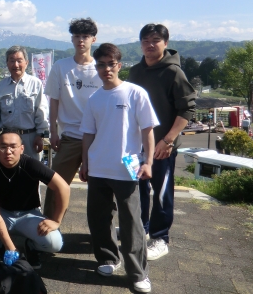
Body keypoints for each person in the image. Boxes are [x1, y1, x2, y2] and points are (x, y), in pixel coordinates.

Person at [79, 43, 157, 293]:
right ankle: (108, 258)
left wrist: (148, 162)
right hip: (98, 167)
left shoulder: (135, 93)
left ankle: (138, 273)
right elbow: (88, 134)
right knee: (98, 218)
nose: (106, 69)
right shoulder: (94, 98)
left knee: (132, 222)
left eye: (110, 64)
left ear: (119, 65)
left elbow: (148, 130)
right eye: (101, 65)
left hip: (127, 169)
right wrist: (85, 162)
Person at [128, 24, 196, 261]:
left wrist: (168, 140)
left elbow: (187, 109)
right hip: (137, 145)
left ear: (165, 43)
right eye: (145, 40)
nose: (150, 44)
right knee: (137, 189)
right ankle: (142, 228)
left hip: (162, 146)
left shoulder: (173, 72)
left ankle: (160, 238)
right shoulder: (135, 71)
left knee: (161, 192)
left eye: (155, 40)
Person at [0, 129, 69, 269]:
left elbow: (63, 187)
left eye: (13, 146)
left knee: (55, 243)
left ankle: (31, 246)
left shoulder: (31, 165)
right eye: (3, 147)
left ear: (21, 148)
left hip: (28, 215)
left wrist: (56, 220)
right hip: (2, 213)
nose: (8, 151)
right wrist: (11, 248)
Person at [43, 18, 100, 220]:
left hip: (98, 137)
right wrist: (53, 132)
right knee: (56, 183)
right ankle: (48, 226)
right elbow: (54, 100)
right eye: (77, 36)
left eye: (85, 36)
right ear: (72, 39)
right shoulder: (61, 66)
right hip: (70, 136)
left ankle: (101, 232)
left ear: (94, 39)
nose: (81, 40)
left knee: (101, 189)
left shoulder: (101, 68)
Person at [0, 45, 49, 160]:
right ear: (7, 63)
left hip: (30, 138)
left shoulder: (36, 84)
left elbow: (42, 112)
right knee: (9, 170)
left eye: (19, 61)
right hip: (7, 139)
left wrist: (40, 135)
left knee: (31, 169)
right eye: (12, 61)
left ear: (26, 63)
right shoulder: (0, 87)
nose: (15, 65)